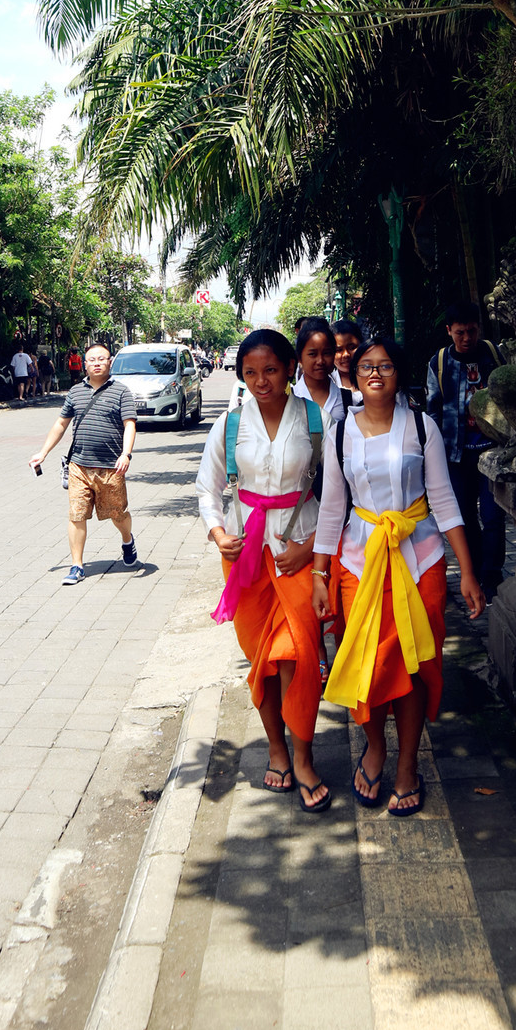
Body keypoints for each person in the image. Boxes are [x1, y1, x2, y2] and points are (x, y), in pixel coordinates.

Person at [312, 338, 484, 817]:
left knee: (412, 666)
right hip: (357, 562)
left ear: (398, 373)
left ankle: (408, 764)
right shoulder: (340, 432)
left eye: (385, 365)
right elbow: (331, 508)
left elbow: (445, 501)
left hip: (420, 559)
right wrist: (320, 574)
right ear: (354, 374)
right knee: (366, 664)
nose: (374, 373)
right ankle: (375, 748)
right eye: (366, 365)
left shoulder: (422, 427)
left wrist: (468, 571)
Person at [196, 329, 331, 812]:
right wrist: (218, 536)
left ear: (291, 367)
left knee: (297, 653)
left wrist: (311, 549)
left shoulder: (317, 422)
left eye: (271, 370)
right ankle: (275, 746)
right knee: (264, 662)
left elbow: (337, 497)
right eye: (250, 373)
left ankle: (303, 754)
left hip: (301, 551)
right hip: (245, 556)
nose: (261, 382)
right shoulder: (230, 425)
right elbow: (208, 491)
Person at [29, 342, 139, 584]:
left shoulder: (121, 391)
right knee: (76, 515)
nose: (97, 363)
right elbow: (61, 424)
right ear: (84, 364)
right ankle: (77, 566)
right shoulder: (76, 392)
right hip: (78, 465)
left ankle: (127, 540)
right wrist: (43, 452)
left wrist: (126, 453)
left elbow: (129, 424)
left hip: (111, 467)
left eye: (102, 359)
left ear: (110, 362)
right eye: (92, 359)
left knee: (117, 514)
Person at [425, 301, 505, 599]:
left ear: (478, 328)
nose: (466, 338)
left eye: (471, 331)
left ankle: (492, 576)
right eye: (460, 333)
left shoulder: (495, 355)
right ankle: (474, 571)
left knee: (494, 517)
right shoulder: (439, 363)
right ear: (449, 331)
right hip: (456, 456)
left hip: (493, 452)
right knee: (465, 517)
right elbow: (433, 410)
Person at [293, 317, 346, 423]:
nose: (320, 361)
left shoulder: (347, 399)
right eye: (312, 354)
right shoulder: (290, 398)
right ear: (300, 358)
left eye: (326, 353)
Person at [331, 319, 363, 401]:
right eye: (338, 350)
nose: (346, 354)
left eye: (352, 348)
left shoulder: (375, 378)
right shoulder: (326, 384)